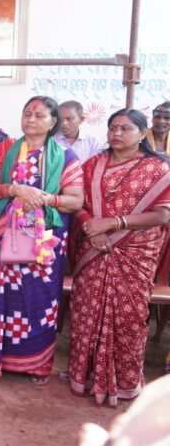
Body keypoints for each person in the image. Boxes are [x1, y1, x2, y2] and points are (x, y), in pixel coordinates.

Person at [0, 96, 84, 384]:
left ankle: (35, 364)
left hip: (44, 241)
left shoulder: (66, 157)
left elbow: (75, 201)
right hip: (2, 237)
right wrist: (15, 189)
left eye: (39, 115)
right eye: (27, 113)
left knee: (37, 300)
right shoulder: (6, 149)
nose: (31, 119)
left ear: (53, 122)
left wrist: (46, 198)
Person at [67, 109, 170, 407]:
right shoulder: (92, 165)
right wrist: (92, 228)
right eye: (113, 127)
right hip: (93, 250)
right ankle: (83, 377)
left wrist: (113, 224)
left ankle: (123, 382)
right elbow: (78, 204)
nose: (117, 133)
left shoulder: (158, 169)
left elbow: (162, 215)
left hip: (135, 254)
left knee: (128, 319)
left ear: (142, 133)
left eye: (125, 128)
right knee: (86, 313)